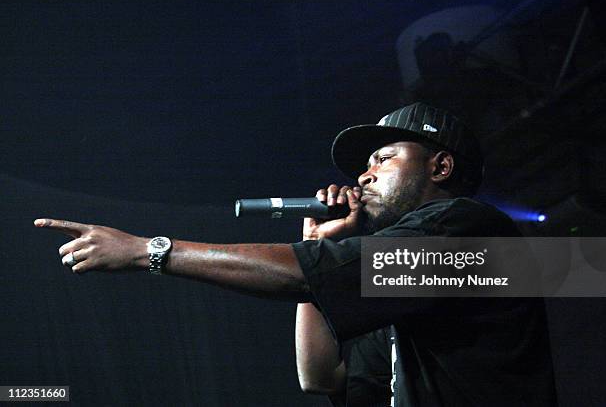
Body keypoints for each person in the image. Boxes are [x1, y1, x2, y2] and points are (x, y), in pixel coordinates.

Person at [35, 102, 557, 406]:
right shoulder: (404, 289)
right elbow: (321, 376)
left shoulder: (469, 228)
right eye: (365, 165)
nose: (364, 174)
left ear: (440, 168)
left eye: (384, 158)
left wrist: (149, 251)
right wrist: (318, 246)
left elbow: (311, 278)